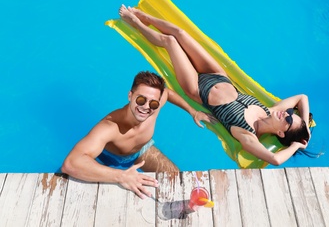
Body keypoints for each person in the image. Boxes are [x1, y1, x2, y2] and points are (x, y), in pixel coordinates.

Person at [118, 5, 312, 166]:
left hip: (197, 88)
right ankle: (146, 17)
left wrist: (296, 146)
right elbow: (302, 97)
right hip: (218, 75)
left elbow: (275, 160)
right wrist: (306, 128)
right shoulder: (270, 110)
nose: (286, 113)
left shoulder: (248, 135)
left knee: (170, 41)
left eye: (288, 120)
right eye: (290, 114)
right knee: (180, 33)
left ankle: (135, 22)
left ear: (280, 132)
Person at [61, 71, 215, 199]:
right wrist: (120, 176)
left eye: (153, 103)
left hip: (143, 151)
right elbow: (71, 164)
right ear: (130, 96)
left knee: (179, 181)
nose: (146, 107)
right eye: (140, 99)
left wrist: (192, 111)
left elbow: (167, 93)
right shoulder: (110, 127)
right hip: (110, 159)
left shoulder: (156, 104)